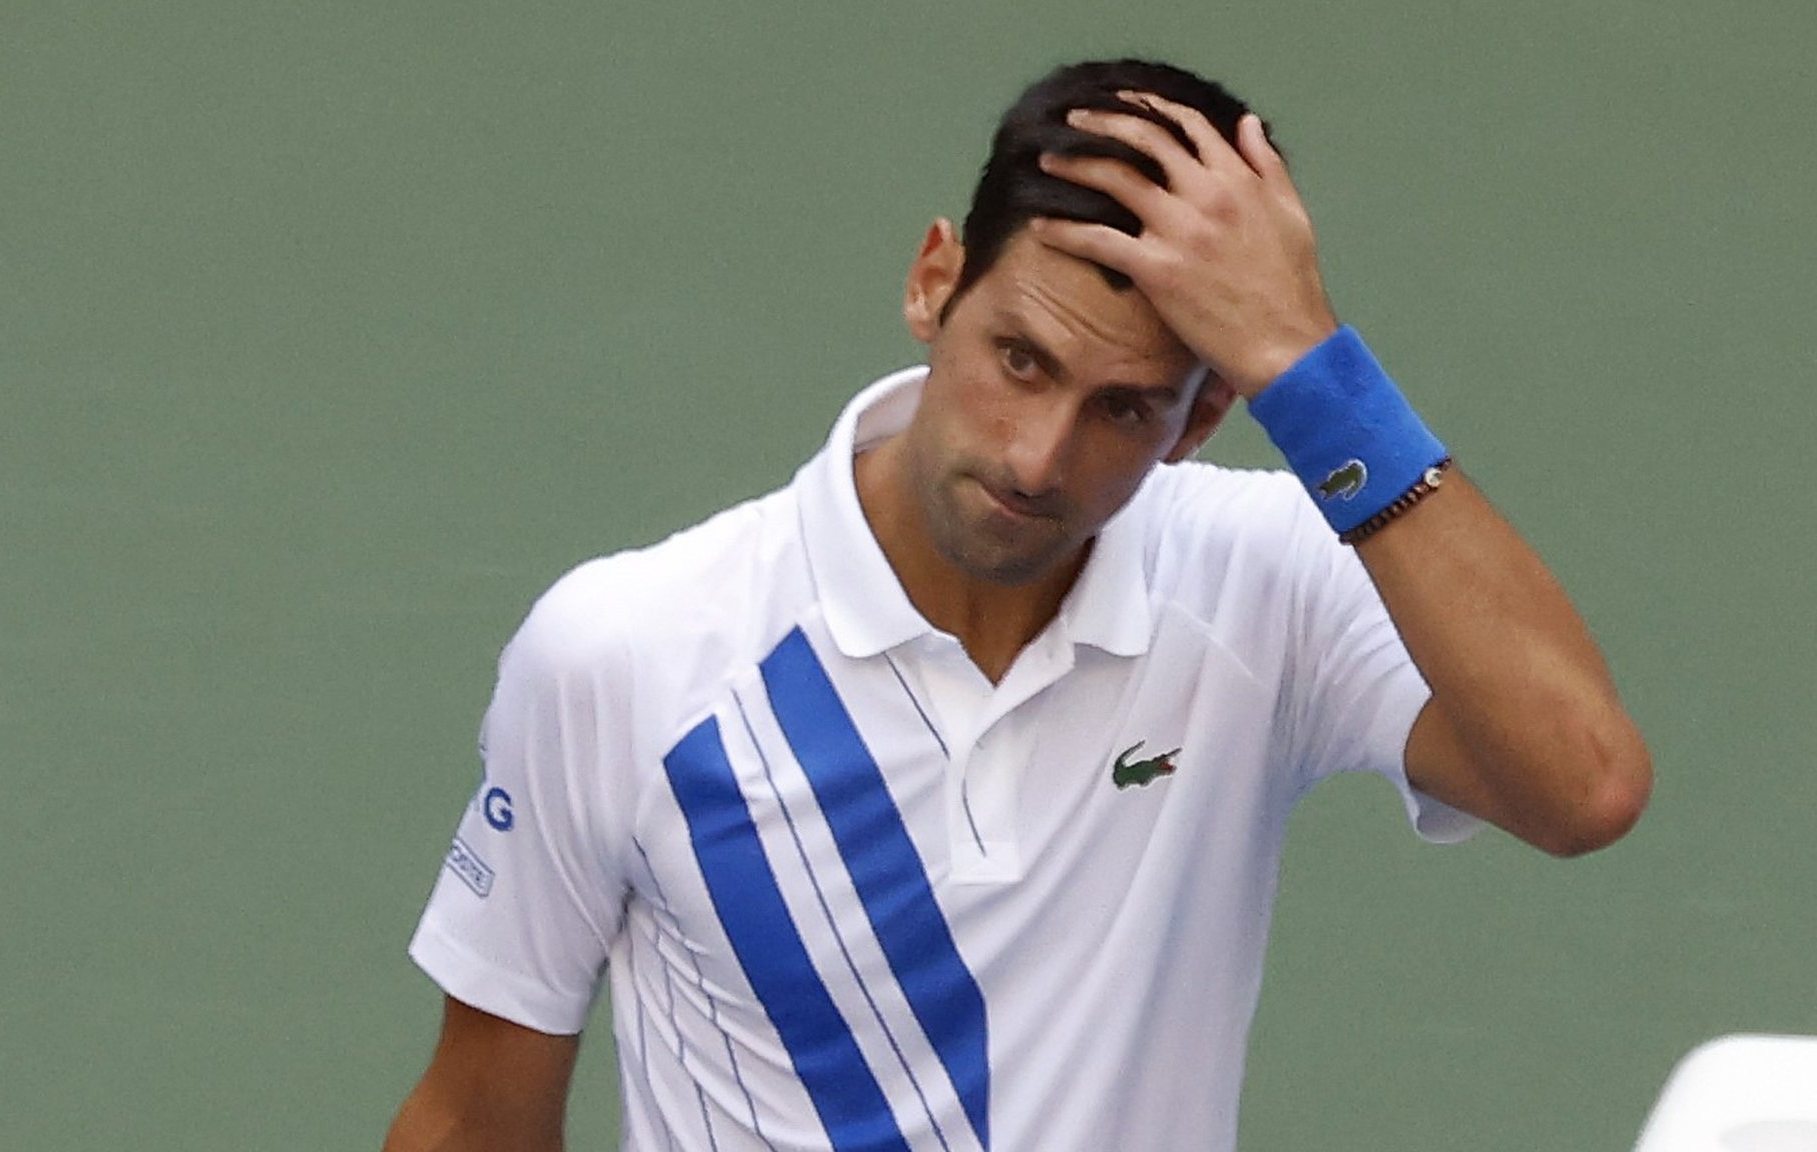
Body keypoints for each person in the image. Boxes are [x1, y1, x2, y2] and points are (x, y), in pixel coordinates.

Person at [383, 56, 1651, 1152]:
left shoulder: (1262, 581)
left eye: (1121, 408)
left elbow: (1578, 785)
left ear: (1202, 415)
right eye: (1019, 360)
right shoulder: (627, 655)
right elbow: (474, 1119)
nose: (1039, 458)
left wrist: (1312, 371)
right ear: (934, 281)